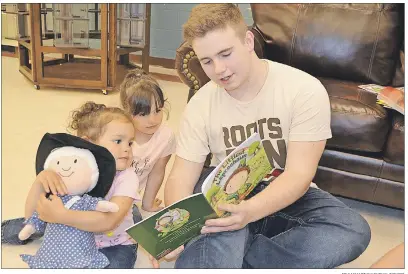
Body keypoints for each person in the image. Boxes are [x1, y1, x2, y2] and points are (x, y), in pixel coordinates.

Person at [152, 4, 371, 269]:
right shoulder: (201, 104)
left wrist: (250, 213)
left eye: (225, 54)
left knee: (352, 230)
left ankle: (242, 257)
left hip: (285, 195)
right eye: (207, 61)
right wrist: (180, 228)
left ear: (247, 41)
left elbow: (299, 176)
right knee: (209, 212)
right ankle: (229, 249)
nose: (219, 69)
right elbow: (180, 176)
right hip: (229, 195)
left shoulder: (304, 90)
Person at [6, 102, 141, 269]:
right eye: (118, 141)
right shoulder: (70, 170)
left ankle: (135, 215)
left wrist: (61, 216)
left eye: (130, 143)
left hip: (114, 243)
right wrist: (41, 180)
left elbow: (109, 222)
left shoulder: (127, 177)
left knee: (113, 265)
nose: (127, 149)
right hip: (70, 232)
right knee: (28, 227)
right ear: (88, 144)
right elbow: (32, 213)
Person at [119, 68, 176, 214]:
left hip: (128, 198)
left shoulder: (166, 136)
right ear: (126, 110)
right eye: (143, 113)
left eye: (157, 110)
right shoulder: (118, 134)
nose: (152, 120)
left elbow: (157, 171)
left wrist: (148, 204)